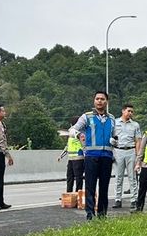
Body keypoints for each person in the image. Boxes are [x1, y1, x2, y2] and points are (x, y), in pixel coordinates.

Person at [69, 91, 116, 220]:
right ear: (94, 101)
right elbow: (72, 130)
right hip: (91, 156)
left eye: (102, 99)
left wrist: (114, 141)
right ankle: (90, 214)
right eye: (97, 99)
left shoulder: (111, 118)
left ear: (107, 102)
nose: (99, 101)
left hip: (107, 156)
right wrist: (78, 135)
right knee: (90, 186)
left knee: (104, 187)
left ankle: (102, 214)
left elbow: (115, 135)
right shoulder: (87, 116)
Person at [112, 104, 142, 209]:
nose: (130, 113)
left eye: (132, 112)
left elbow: (138, 140)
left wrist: (138, 156)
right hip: (118, 151)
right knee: (118, 177)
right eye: (129, 111)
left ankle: (134, 199)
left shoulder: (135, 125)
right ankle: (117, 199)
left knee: (132, 177)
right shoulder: (114, 123)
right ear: (123, 111)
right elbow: (110, 138)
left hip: (131, 151)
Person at [61, 117, 85, 193]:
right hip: (71, 159)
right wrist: (61, 155)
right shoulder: (71, 133)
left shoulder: (78, 133)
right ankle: (69, 193)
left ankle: (78, 193)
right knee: (69, 177)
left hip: (78, 158)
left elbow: (83, 143)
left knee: (78, 177)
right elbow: (68, 146)